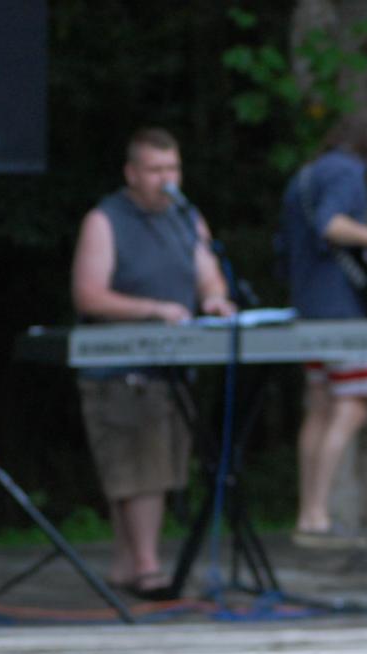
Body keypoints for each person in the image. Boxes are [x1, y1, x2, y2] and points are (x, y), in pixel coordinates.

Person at [70, 126, 235, 597]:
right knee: (138, 464)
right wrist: (152, 309)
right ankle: (146, 567)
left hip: (173, 367)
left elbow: (209, 277)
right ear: (132, 173)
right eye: (156, 169)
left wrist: (216, 300)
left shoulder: (186, 217)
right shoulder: (104, 220)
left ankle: (128, 564)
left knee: (159, 464)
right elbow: (88, 293)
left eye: (173, 168)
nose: (167, 179)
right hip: (119, 367)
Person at [279, 109, 367, 549]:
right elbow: (330, 225)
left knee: (321, 405)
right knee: (355, 403)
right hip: (342, 309)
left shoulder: (306, 176)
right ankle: (317, 512)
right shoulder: (351, 172)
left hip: (308, 305)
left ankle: (308, 512)